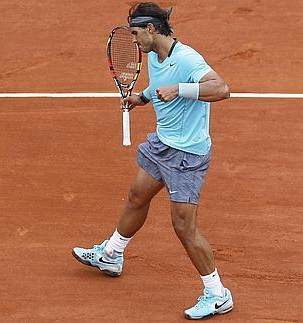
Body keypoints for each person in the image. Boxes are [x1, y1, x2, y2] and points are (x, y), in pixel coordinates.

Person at [72, 2, 233, 320]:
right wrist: (142, 97)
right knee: (136, 197)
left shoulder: (187, 57)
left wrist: (182, 90)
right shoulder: (155, 56)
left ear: (151, 29)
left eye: (135, 34)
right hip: (163, 146)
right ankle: (111, 255)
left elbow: (222, 88)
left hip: (187, 156)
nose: (133, 42)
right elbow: (160, 84)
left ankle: (217, 294)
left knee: (184, 228)